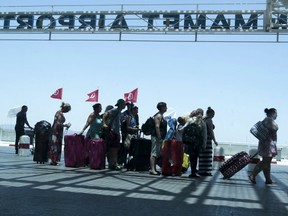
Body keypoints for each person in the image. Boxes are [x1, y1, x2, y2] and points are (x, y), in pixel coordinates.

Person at [249, 108, 278, 185]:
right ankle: (253, 175)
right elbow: (275, 128)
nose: (277, 115)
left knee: (267, 163)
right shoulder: (269, 120)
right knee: (265, 161)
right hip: (268, 144)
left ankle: (268, 179)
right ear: (272, 113)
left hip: (267, 143)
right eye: (276, 114)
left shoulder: (266, 120)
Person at [182, 108, 207, 178]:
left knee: (191, 157)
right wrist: (204, 145)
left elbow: (183, 129)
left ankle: (192, 172)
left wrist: (183, 140)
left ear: (195, 113)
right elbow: (204, 135)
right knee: (196, 157)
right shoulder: (203, 123)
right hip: (198, 143)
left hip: (189, 142)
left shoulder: (190, 120)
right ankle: (193, 172)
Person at [102, 99, 126, 170]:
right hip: (113, 132)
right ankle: (113, 163)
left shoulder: (119, 112)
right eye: (124, 103)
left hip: (117, 132)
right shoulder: (115, 110)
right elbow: (105, 114)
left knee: (115, 149)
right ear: (121, 104)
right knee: (113, 149)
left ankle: (113, 163)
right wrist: (104, 123)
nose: (125, 105)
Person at [198, 107, 218, 176]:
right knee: (207, 155)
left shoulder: (202, 119)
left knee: (202, 155)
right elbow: (211, 131)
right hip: (207, 139)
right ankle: (206, 171)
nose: (213, 116)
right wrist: (215, 141)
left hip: (201, 139)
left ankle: (201, 170)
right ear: (210, 114)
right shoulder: (209, 120)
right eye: (213, 114)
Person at [149, 102, 167, 175]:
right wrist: (159, 137)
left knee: (157, 153)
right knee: (154, 153)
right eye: (165, 107)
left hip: (159, 137)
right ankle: (152, 169)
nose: (166, 108)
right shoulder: (158, 116)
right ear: (162, 107)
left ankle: (154, 169)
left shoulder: (161, 116)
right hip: (156, 137)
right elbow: (157, 127)